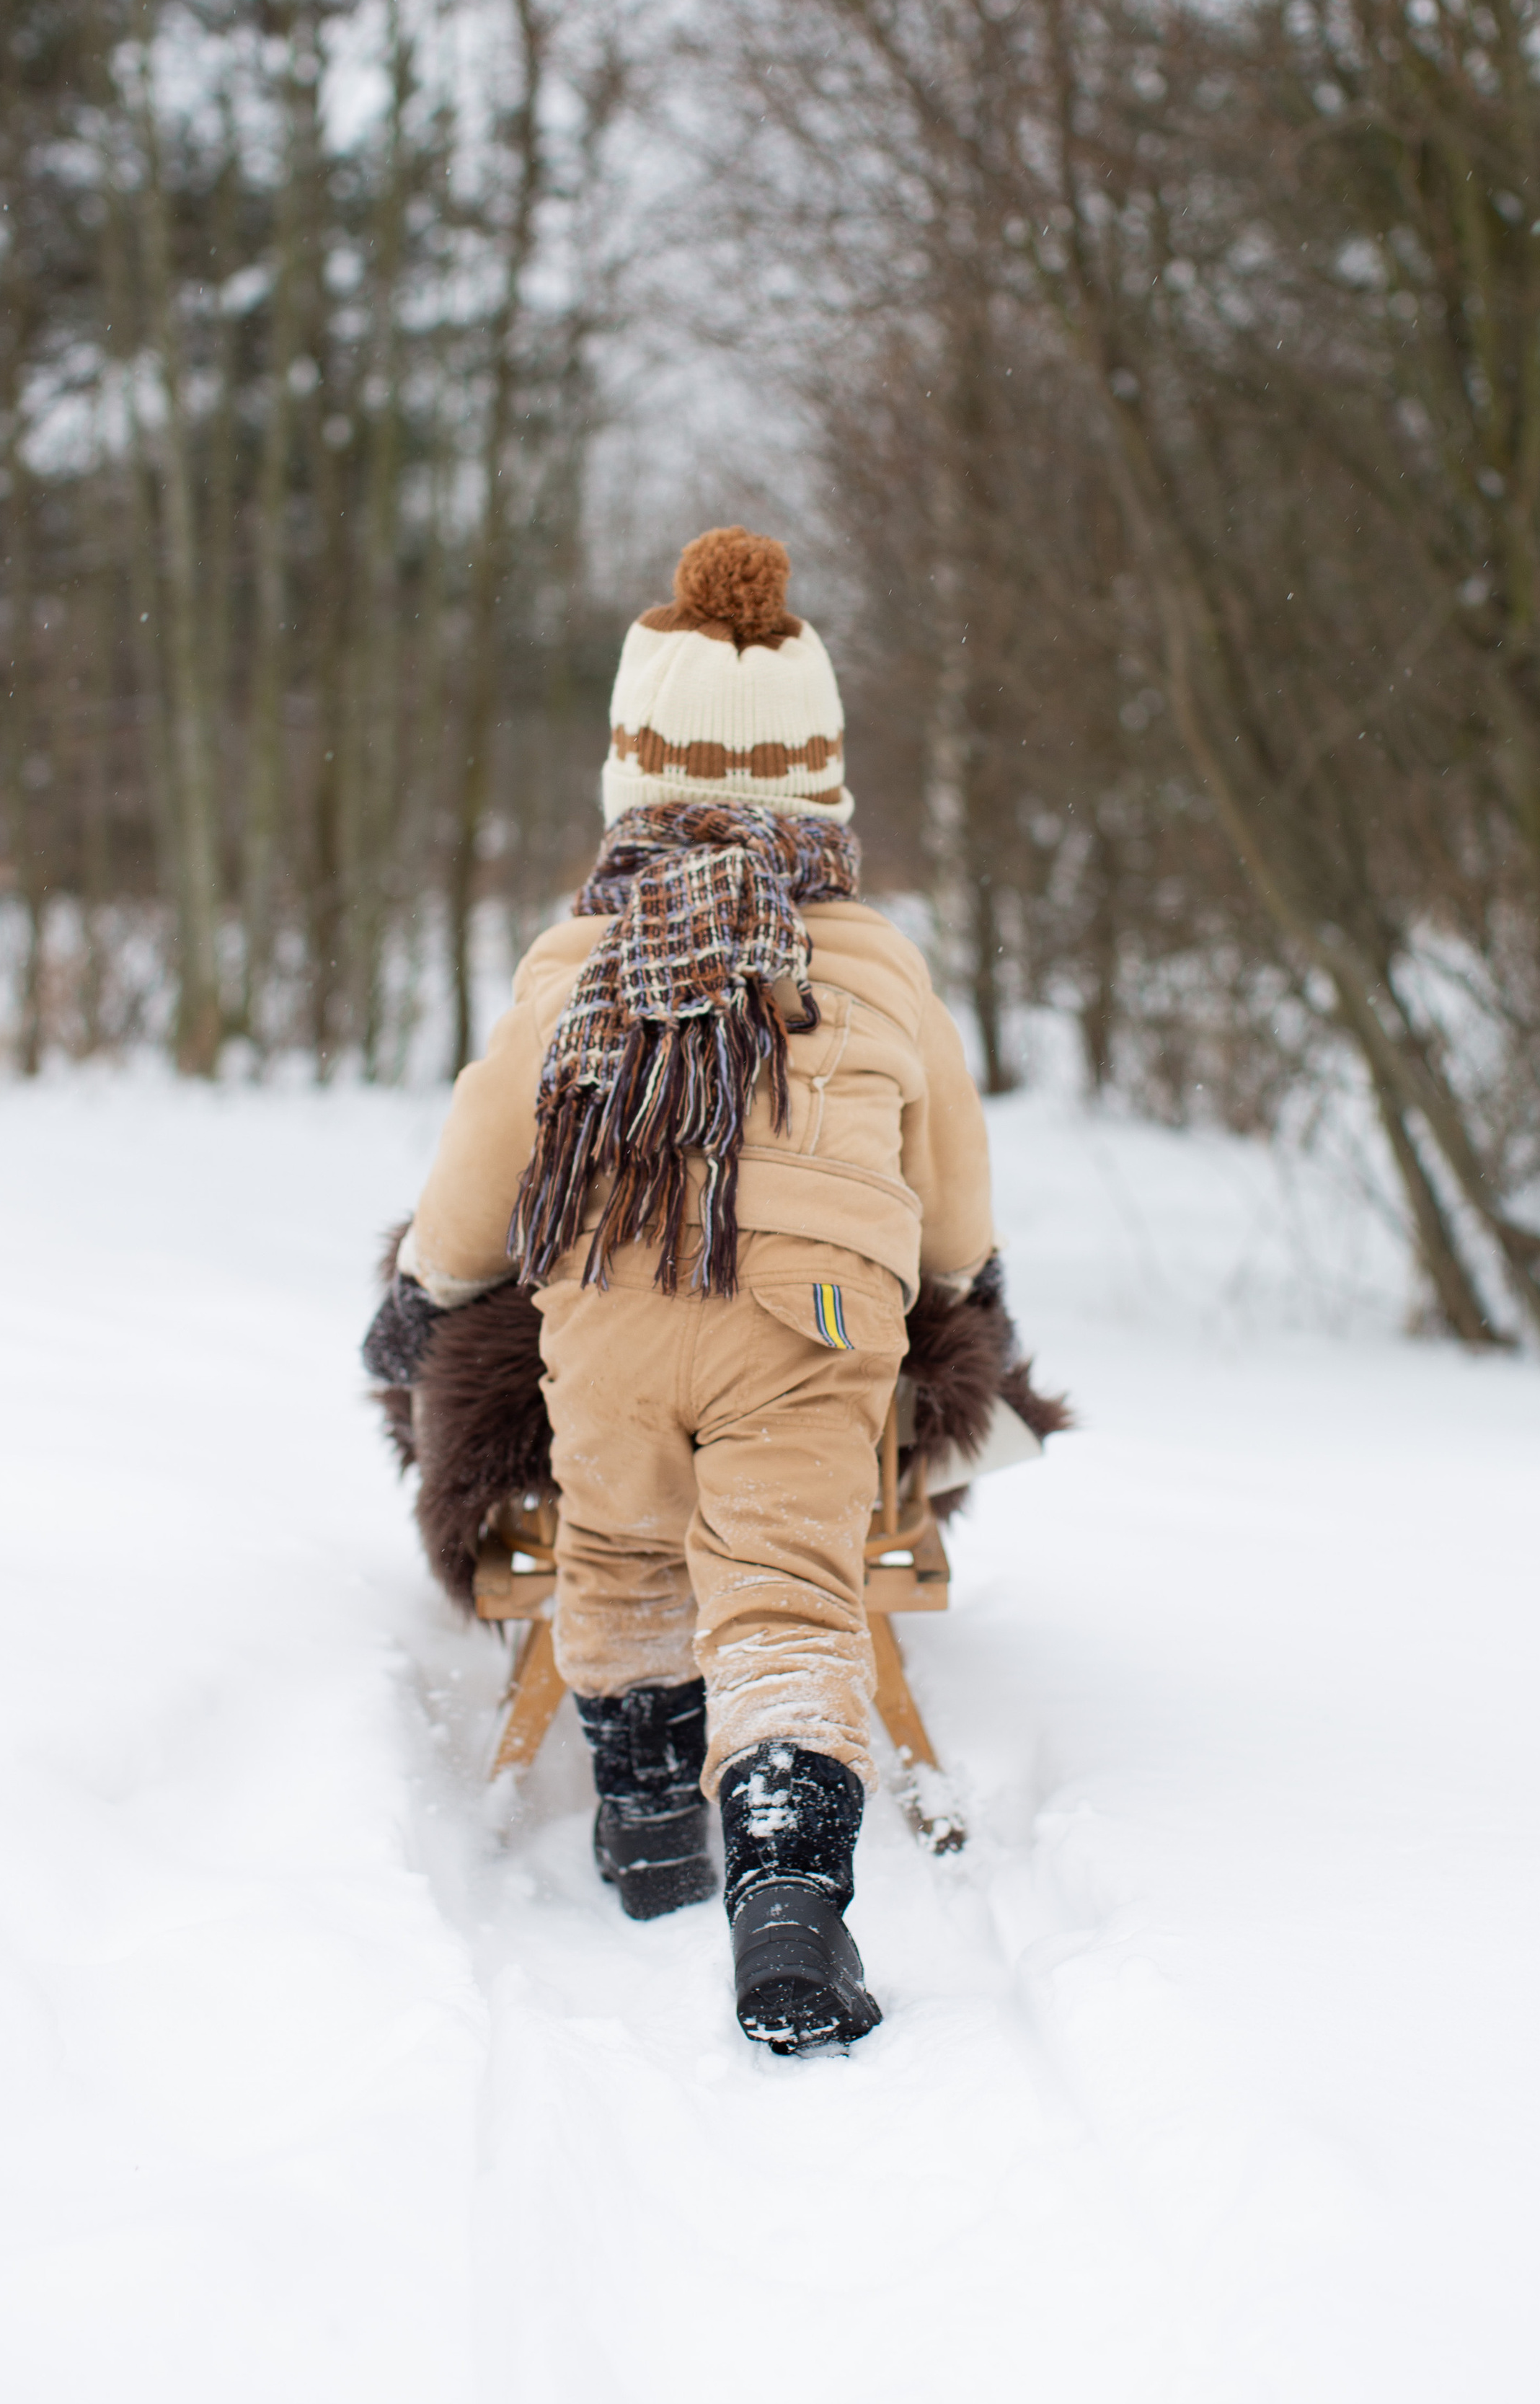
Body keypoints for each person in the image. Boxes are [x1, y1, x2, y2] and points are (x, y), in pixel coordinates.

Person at [379, 528, 992, 2052]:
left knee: (626, 1550)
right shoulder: (871, 957)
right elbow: (953, 1174)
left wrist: (428, 1283)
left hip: (612, 1292)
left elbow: (483, 1148)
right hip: (819, 1318)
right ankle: (785, 1893)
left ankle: (648, 1817)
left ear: (630, 776)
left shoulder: (580, 952)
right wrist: (957, 1283)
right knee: (786, 1591)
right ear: (822, 779)